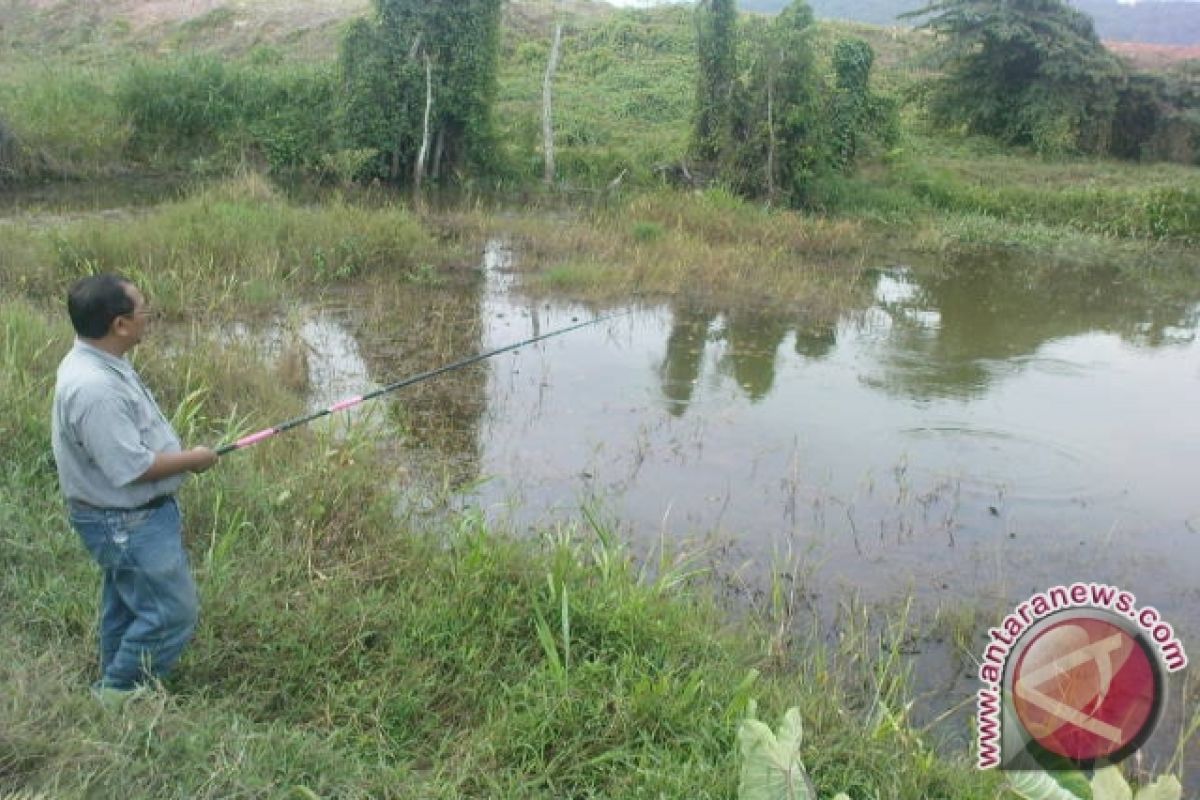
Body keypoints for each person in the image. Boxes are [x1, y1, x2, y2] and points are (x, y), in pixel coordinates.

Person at [51, 274, 218, 703]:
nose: (150, 317)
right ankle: (115, 697)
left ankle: (113, 675)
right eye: (143, 310)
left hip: (128, 518)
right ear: (119, 325)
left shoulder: (100, 361)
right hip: (125, 521)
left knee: (128, 605)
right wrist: (194, 460)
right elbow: (130, 467)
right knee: (170, 615)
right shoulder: (95, 387)